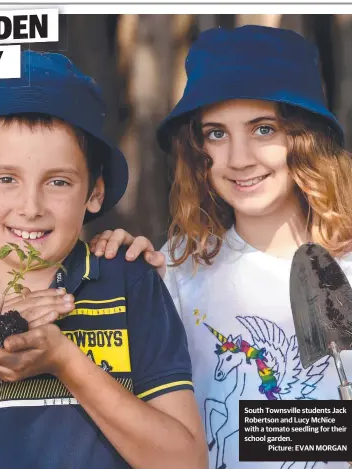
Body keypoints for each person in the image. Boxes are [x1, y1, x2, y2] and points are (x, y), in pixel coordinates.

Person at [0, 50, 207, 469]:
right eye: (7, 179)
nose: (30, 207)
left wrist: (64, 360)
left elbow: (185, 462)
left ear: (95, 192)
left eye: (58, 181)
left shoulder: (128, 283)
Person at [89, 26, 352, 469]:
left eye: (263, 129)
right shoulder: (176, 269)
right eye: (216, 134)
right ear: (198, 150)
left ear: (305, 138)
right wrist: (119, 275)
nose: (239, 158)